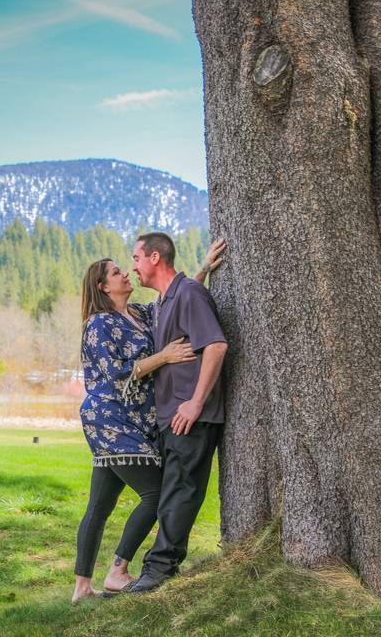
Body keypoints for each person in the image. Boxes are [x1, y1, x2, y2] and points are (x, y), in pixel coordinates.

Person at [72, 243, 224, 602]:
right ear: (102, 287)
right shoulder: (99, 325)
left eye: (126, 268)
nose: (125, 273)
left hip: (136, 422)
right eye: (115, 272)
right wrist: (165, 356)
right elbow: (117, 375)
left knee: (100, 504)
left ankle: (81, 588)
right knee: (156, 494)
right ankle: (118, 571)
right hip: (111, 421)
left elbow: (172, 302)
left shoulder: (139, 314)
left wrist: (200, 272)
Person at [128, 232, 228, 593]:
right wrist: (202, 269)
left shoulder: (187, 293)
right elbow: (184, 298)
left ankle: (160, 569)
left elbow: (216, 345)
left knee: (179, 491)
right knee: (173, 490)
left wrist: (196, 401)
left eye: (136, 258)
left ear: (155, 257)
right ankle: (156, 567)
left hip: (192, 416)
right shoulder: (168, 299)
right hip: (171, 416)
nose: (133, 267)